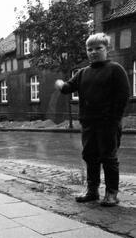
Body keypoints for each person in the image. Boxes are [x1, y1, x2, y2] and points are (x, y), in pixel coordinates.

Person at [55, 33, 130, 207]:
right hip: (88, 123)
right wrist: (60, 84)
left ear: (107, 49)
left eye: (98, 48)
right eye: (90, 49)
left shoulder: (115, 69)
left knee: (108, 157)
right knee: (90, 156)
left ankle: (112, 193)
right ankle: (92, 191)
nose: (93, 52)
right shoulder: (83, 73)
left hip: (108, 123)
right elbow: (68, 88)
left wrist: (114, 119)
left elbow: (123, 97)